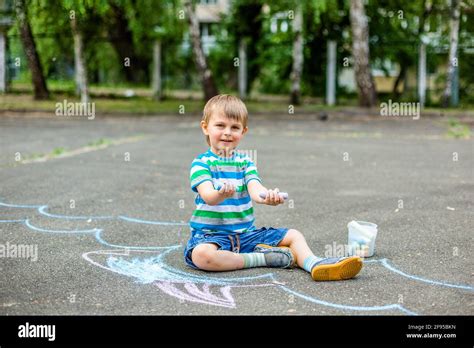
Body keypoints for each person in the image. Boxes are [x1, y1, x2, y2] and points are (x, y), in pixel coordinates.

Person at [184, 94, 363, 281]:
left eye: (234, 127)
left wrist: (268, 197)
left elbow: (256, 191)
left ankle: (314, 264)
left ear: (243, 131)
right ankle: (262, 258)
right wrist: (221, 194)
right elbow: (208, 196)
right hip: (210, 237)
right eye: (220, 125)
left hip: (246, 235)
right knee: (201, 256)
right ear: (205, 127)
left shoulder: (245, 163)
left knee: (294, 235)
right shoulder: (201, 164)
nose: (228, 132)